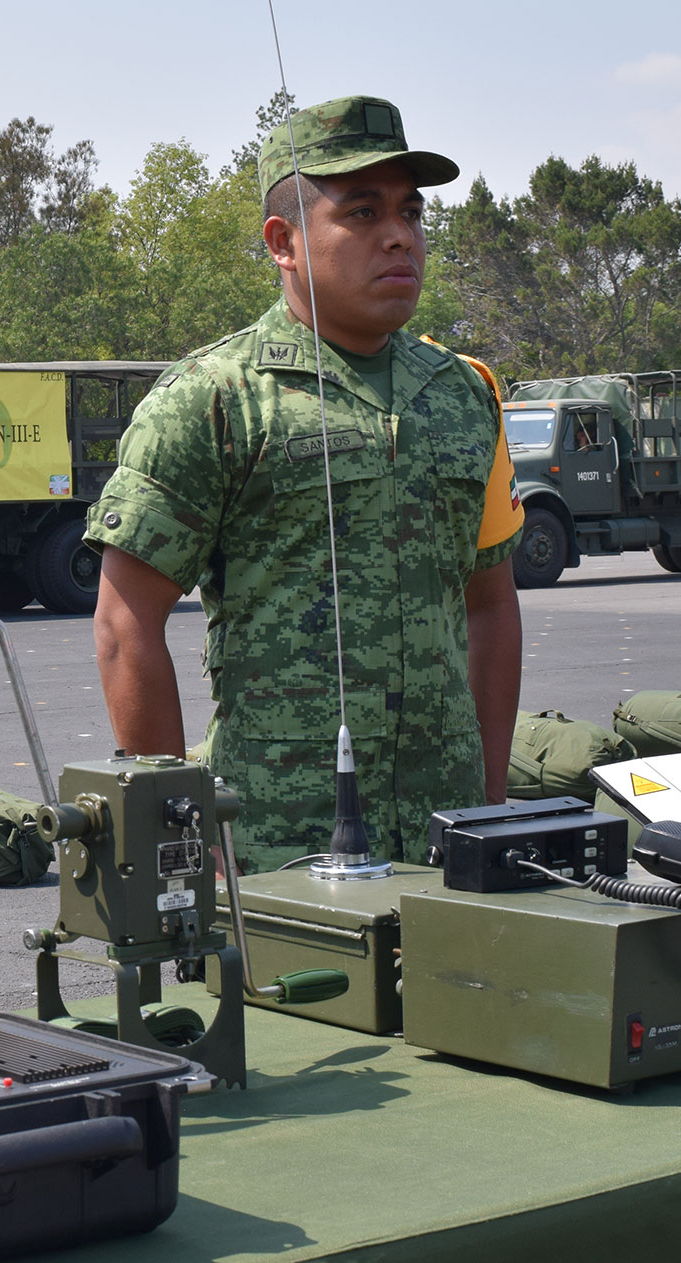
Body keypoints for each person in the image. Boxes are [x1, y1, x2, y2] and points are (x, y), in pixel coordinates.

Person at [86, 95, 523, 867]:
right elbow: (126, 625)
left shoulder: (463, 395)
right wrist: (185, 836)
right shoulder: (214, 397)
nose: (400, 236)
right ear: (283, 242)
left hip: (444, 836)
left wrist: (487, 807)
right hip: (274, 841)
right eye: (360, 212)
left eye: (411, 213)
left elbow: (489, 606)